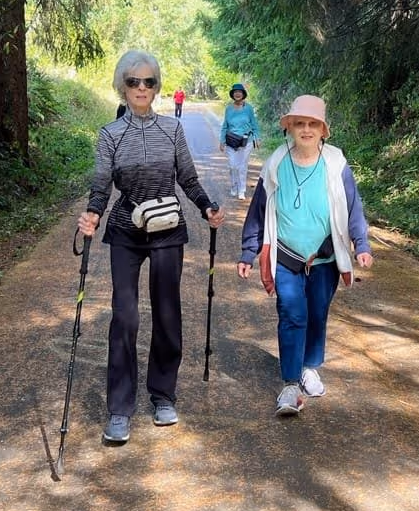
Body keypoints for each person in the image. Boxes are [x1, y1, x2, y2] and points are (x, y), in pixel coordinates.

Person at [78, 51, 225, 446]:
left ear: (157, 87)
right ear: (122, 86)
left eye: (149, 82)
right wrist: (93, 213)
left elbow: (188, 178)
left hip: (167, 229)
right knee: (124, 317)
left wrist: (207, 206)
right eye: (133, 81)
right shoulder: (111, 134)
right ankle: (119, 409)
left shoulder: (171, 131)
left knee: (167, 312)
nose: (141, 88)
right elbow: (101, 183)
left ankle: (163, 395)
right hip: (126, 229)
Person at [237, 94, 373, 417]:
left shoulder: (336, 163)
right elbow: (258, 211)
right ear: (290, 128)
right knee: (292, 313)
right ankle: (289, 384)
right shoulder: (277, 163)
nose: (306, 130)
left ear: (323, 130)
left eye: (313, 124)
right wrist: (248, 251)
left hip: (325, 259)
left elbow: (353, 208)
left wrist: (361, 244)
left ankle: (310, 366)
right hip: (286, 256)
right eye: (300, 123)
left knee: (317, 313)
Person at [220, 83, 261, 201]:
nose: (237, 94)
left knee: (242, 166)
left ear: (243, 94)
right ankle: (234, 186)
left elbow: (254, 124)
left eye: (240, 92)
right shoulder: (228, 108)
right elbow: (225, 125)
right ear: (233, 94)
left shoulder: (248, 108)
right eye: (235, 92)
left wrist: (257, 137)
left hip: (245, 141)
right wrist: (222, 140)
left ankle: (242, 190)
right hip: (231, 141)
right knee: (233, 166)